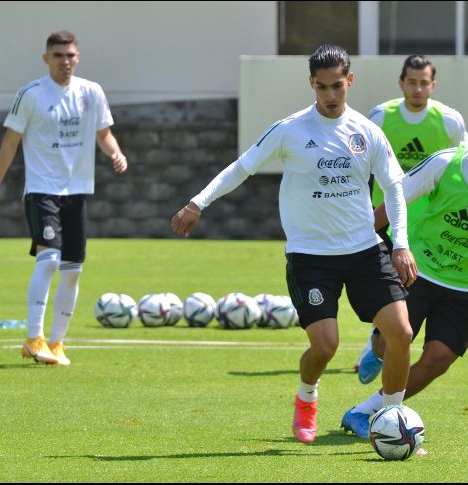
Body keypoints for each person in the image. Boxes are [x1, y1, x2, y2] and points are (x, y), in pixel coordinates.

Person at [170, 44, 417, 444]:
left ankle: (391, 420)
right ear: (311, 85)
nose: (331, 96)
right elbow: (242, 167)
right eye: (322, 88)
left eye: (338, 86)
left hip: (364, 251)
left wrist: (400, 244)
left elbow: (394, 189)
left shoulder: (367, 132)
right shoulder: (290, 129)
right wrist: (197, 203)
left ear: (349, 81)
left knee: (401, 334)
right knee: (325, 347)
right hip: (311, 258)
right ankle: (307, 396)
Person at [341, 95, 468, 437]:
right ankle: (376, 349)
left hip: (466, 285)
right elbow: (396, 197)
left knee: (438, 359)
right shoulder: (446, 162)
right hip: (418, 269)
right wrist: (359, 242)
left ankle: (368, 412)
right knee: (389, 343)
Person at [0, 31, 128, 366]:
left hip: (77, 192)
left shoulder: (92, 93)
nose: (66, 61)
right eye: (59, 55)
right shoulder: (30, 95)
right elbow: (9, 144)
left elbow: (104, 134)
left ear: (79, 57)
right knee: (48, 260)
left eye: (71, 55)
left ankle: (57, 343)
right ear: (46, 58)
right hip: (42, 190)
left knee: (73, 270)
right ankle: (34, 339)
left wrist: (116, 153)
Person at [355, 54, 468, 383]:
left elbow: (463, 164)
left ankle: (381, 344)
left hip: (427, 224)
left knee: (409, 288)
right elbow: (359, 164)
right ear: (401, 83)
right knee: (386, 285)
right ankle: (377, 342)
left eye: (424, 83)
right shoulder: (380, 116)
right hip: (384, 217)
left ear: (433, 85)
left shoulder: (449, 120)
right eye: (412, 82)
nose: (418, 88)